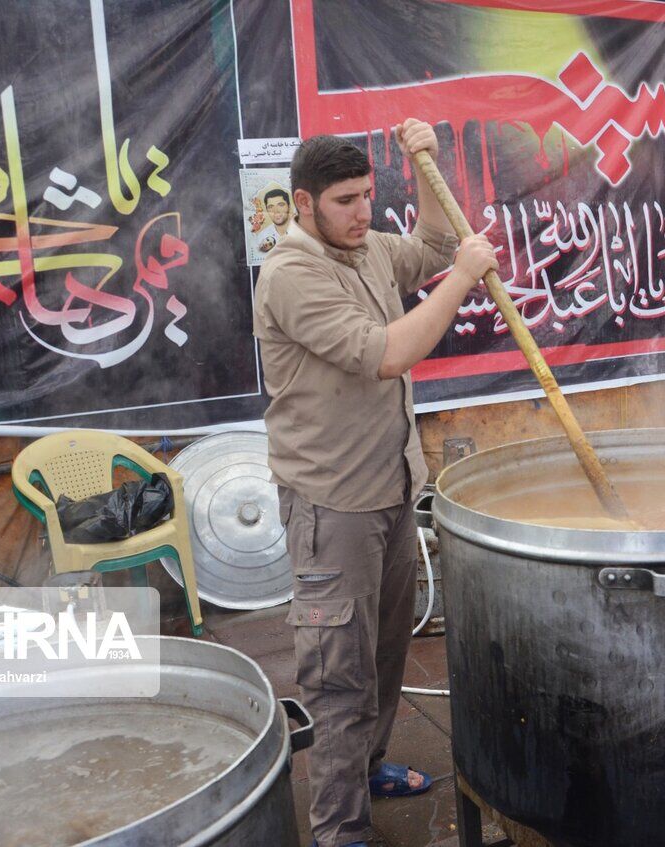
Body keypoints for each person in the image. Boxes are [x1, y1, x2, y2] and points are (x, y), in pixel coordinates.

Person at [252, 119, 497, 847]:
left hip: (390, 489)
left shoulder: (364, 250)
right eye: (345, 201)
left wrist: (425, 165)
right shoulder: (292, 273)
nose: (363, 212)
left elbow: (426, 246)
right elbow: (389, 353)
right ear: (303, 203)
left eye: (368, 195)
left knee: (388, 649)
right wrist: (464, 275)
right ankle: (338, 826)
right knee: (338, 676)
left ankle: (371, 765)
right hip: (333, 505)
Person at [257, 187, 293, 253]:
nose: (276, 211)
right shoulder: (261, 237)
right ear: (267, 210)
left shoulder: (303, 232)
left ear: (289, 207)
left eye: (281, 205)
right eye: (270, 207)